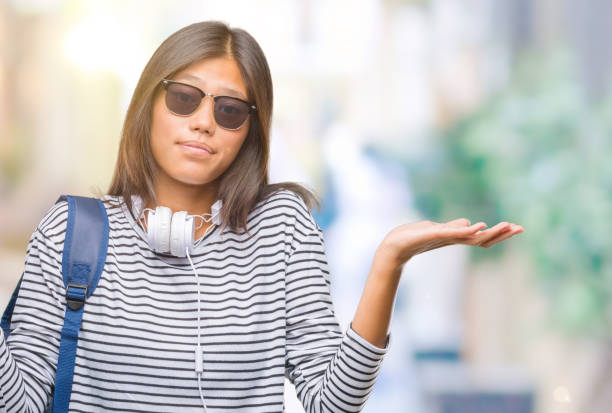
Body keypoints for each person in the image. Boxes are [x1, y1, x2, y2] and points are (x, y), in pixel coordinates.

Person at [0, 21, 523, 413]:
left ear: (249, 130)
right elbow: (17, 402)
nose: (204, 122)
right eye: (184, 98)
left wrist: (389, 260)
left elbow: (331, 402)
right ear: (148, 104)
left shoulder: (282, 227)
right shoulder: (73, 231)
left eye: (229, 110)